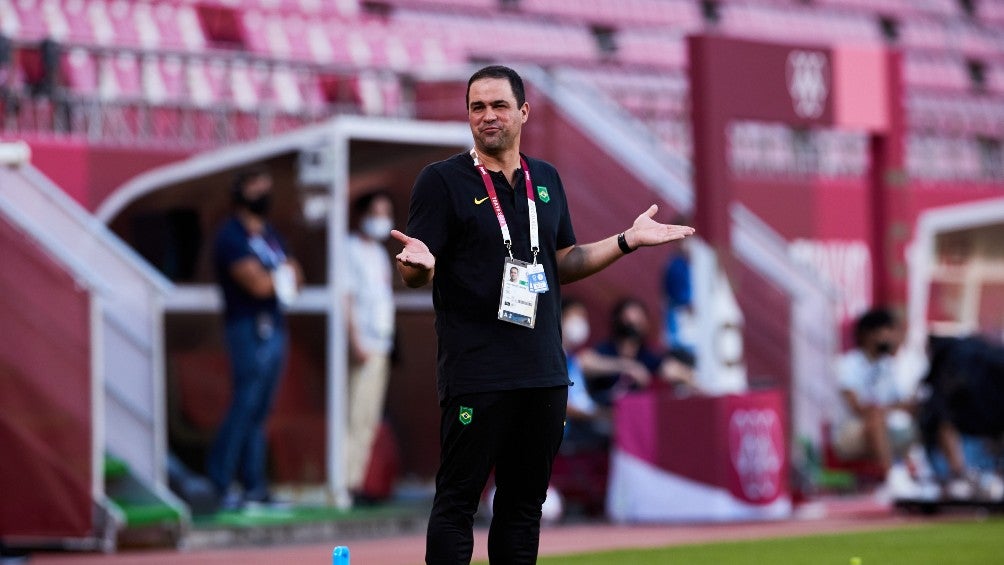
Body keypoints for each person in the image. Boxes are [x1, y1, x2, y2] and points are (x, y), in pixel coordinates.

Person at [390, 65, 694, 564]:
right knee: (458, 503)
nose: (487, 116)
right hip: (478, 372)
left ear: (523, 112)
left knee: (523, 505)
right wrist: (419, 269)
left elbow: (563, 261)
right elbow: (417, 269)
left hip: (543, 373)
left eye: (498, 105)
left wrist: (626, 241)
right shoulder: (441, 181)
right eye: (477, 107)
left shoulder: (545, 179)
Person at [207, 167, 302, 510]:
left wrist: (276, 278)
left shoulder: (271, 234)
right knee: (245, 403)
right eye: (257, 185)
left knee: (262, 409)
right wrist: (278, 278)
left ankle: (254, 486)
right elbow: (258, 284)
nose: (264, 190)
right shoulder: (231, 235)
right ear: (241, 190)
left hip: (274, 323)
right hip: (247, 326)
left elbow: (295, 275)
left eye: (267, 184)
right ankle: (220, 482)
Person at [831, 307, 919, 495]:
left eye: (890, 331)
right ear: (865, 335)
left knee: (930, 414)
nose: (886, 337)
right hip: (852, 432)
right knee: (875, 417)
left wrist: (895, 359)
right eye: (881, 332)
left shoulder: (892, 364)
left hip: (889, 428)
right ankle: (893, 480)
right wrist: (884, 410)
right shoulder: (848, 364)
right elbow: (857, 408)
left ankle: (931, 476)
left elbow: (908, 403)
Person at [344, 189, 397, 500]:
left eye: (385, 213)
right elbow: (346, 298)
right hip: (362, 343)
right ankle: (346, 484)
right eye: (376, 212)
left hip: (381, 342)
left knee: (368, 417)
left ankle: (358, 482)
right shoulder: (349, 248)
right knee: (354, 414)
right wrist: (355, 341)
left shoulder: (378, 252)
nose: (381, 220)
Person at [577, 297, 663, 407]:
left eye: (638, 322)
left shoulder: (647, 354)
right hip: (605, 414)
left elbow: (671, 368)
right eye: (629, 323)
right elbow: (583, 362)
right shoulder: (606, 349)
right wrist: (627, 366)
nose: (633, 327)